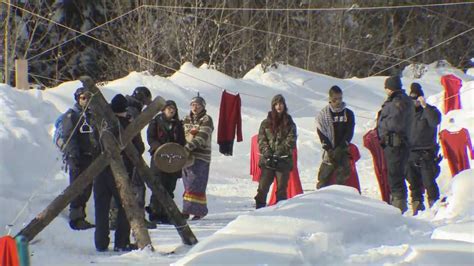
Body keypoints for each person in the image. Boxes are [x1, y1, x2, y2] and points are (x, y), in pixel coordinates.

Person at [94, 94, 141, 252]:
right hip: (121, 171)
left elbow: (93, 146)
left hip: (100, 171)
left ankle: (100, 243)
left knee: (101, 208)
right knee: (124, 207)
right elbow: (138, 148)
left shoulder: (101, 125)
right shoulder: (128, 125)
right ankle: (121, 242)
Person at [110, 86, 155, 229]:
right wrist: (138, 148)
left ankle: (114, 218)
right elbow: (132, 133)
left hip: (121, 153)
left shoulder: (127, 105)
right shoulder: (132, 110)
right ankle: (137, 218)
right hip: (129, 154)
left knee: (120, 186)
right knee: (136, 186)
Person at [62, 87, 100, 230]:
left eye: (88, 98)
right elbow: (68, 136)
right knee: (77, 187)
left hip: (90, 156)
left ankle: (81, 215)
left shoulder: (91, 115)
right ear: (78, 99)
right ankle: (75, 217)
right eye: (83, 98)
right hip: (77, 156)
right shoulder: (72, 115)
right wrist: (73, 154)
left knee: (87, 188)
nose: (86, 101)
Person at [376, 76, 415, 213]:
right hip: (396, 144)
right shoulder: (403, 100)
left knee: (395, 178)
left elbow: (395, 123)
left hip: (396, 144)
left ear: (389, 88)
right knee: (395, 177)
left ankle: (398, 210)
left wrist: (382, 122)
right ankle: (398, 206)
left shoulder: (398, 102)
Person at [146, 100, 186, 224]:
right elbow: (151, 138)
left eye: (173, 108)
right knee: (158, 185)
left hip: (173, 159)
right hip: (159, 158)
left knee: (170, 186)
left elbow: (181, 140)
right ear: (163, 109)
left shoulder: (178, 124)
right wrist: (159, 147)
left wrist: (177, 149)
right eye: (169, 108)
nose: (171, 110)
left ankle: (167, 213)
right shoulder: (156, 122)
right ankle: (155, 212)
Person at [254, 94, 297, 209]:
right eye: (276, 104)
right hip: (268, 161)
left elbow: (291, 141)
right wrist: (267, 153)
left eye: (281, 103)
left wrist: (279, 152)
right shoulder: (265, 123)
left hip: (283, 161)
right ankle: (259, 211)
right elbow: (261, 139)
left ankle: (279, 214)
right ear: (273, 106)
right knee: (262, 188)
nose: (279, 106)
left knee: (282, 190)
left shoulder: (289, 123)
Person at [406, 83, 441, 215]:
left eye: (416, 99)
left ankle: (435, 207)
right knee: (413, 184)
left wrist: (425, 106)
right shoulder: (407, 114)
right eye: (412, 99)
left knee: (429, 183)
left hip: (426, 153)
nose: (414, 102)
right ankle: (417, 207)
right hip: (410, 153)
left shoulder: (429, 111)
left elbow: (435, 121)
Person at [315, 86, 355, 189]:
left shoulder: (348, 114)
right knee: (323, 179)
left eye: (340, 99)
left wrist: (341, 147)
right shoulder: (323, 115)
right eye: (335, 99)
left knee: (341, 180)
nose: (338, 102)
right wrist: (328, 148)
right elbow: (321, 132)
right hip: (329, 152)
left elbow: (349, 131)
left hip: (343, 150)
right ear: (330, 99)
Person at [182, 96, 214, 220]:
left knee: (196, 183)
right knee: (187, 183)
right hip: (186, 156)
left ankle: (197, 211)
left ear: (203, 107)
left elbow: (202, 136)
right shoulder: (185, 119)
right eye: (193, 105)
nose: (195, 107)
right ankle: (187, 209)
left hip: (201, 156)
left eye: (198, 105)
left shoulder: (207, 119)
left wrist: (188, 146)